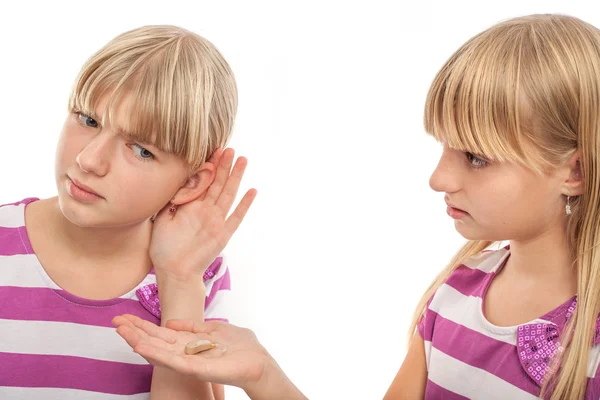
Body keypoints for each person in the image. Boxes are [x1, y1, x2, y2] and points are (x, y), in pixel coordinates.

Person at [118, 14, 600, 400]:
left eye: (476, 158)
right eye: (445, 149)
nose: (439, 179)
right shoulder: (453, 295)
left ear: (573, 172)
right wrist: (262, 375)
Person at [0, 25, 256, 399]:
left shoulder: (199, 274)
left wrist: (179, 281)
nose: (89, 160)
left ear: (189, 183)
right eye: (88, 120)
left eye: (140, 150)